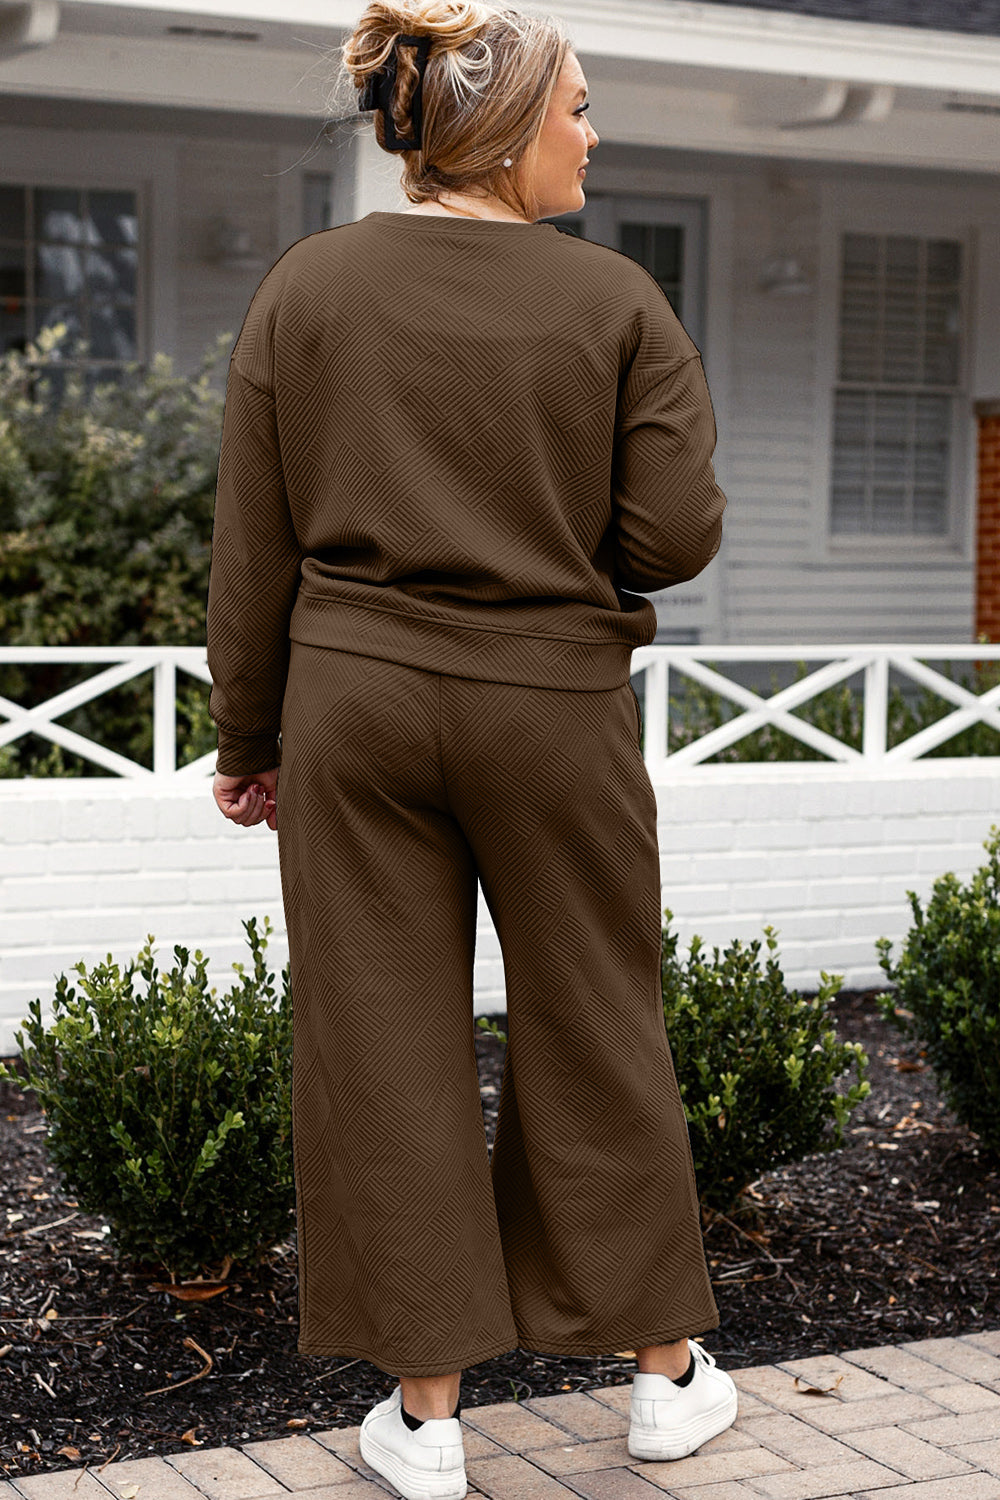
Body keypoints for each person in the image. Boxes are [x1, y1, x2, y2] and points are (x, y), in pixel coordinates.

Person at [206, 2, 737, 1496]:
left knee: (382, 1043)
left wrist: (252, 733)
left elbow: (253, 546)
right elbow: (673, 538)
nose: (593, 129)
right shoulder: (618, 304)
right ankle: (664, 1378)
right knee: (596, 1018)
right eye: (580, 106)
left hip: (356, 704)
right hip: (550, 708)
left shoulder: (309, 287)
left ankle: (428, 1421)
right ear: (507, 133)